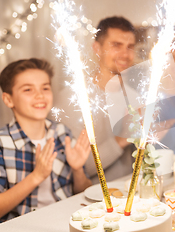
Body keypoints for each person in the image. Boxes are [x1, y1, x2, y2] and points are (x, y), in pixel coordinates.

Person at [0, 59, 92, 226]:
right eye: (28, 89)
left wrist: (77, 170)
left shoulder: (62, 133)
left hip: (67, 224)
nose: (40, 95)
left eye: (45, 88)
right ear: (8, 100)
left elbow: (82, 192)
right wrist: (36, 176)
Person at [54, 16, 137, 182]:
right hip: (89, 202)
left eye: (130, 47)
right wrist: (122, 139)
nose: (125, 54)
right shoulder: (72, 98)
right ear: (97, 48)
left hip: (130, 197)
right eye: (116, 45)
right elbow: (75, 169)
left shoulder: (134, 96)